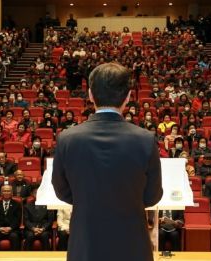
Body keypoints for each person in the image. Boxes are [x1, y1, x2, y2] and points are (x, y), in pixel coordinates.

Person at [52, 63, 163, 261]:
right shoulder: (145, 139)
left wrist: (90, 202)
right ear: (128, 96)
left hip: (86, 243)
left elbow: (62, 190)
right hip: (132, 245)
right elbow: (152, 196)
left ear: (90, 95)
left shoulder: (67, 138)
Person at [0, 185, 22, 251]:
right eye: (4, 191)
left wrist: (10, 228)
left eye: (8, 191)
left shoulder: (17, 204)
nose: (6, 193)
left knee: (15, 237)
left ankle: (14, 258)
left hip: (12, 229)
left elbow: (17, 219)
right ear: (1, 193)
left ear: (12, 193)